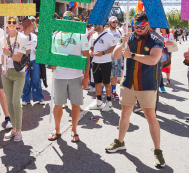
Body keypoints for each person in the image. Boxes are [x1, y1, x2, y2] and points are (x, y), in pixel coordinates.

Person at [105, 11, 166, 168]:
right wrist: (121, 43)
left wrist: (131, 55)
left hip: (147, 83)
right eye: (135, 26)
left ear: (147, 25)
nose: (137, 29)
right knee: (125, 113)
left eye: (141, 26)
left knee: (150, 117)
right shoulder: (128, 37)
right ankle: (120, 142)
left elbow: (153, 60)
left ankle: (158, 151)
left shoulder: (155, 39)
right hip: (128, 82)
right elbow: (116, 55)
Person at [48, 11, 90, 142]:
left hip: (76, 76)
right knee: (58, 105)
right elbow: (52, 56)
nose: (67, 19)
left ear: (73, 20)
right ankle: (57, 129)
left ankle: (74, 130)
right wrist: (52, 64)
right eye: (64, 18)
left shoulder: (80, 35)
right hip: (59, 76)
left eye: (69, 18)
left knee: (75, 105)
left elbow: (86, 57)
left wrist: (86, 75)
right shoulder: (55, 36)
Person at [1, 16, 27, 142]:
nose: (11, 24)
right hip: (6, 73)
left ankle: (19, 131)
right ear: (6, 24)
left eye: (13, 22)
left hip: (18, 72)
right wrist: (2, 67)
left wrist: (9, 54)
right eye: (9, 22)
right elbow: (2, 57)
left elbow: (19, 58)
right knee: (9, 102)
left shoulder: (22, 38)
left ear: (17, 24)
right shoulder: (3, 39)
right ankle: (14, 128)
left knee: (16, 101)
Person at [88, 24, 117, 112]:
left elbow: (114, 47)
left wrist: (103, 53)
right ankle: (99, 102)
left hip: (106, 63)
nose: (94, 26)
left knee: (107, 83)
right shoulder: (93, 35)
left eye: (95, 25)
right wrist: (90, 51)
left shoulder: (108, 35)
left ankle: (109, 103)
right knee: (97, 83)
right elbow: (91, 46)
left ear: (101, 25)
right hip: (95, 62)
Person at [21, 19, 44, 105]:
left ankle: (39, 97)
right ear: (27, 27)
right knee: (26, 80)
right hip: (24, 62)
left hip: (34, 61)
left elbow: (36, 47)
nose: (33, 27)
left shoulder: (34, 36)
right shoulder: (20, 36)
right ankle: (25, 99)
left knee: (36, 79)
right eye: (32, 25)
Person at [105, 16, 124, 100]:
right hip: (107, 56)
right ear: (109, 23)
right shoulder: (106, 32)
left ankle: (113, 91)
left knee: (115, 75)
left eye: (116, 22)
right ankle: (103, 91)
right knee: (106, 75)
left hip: (117, 57)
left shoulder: (119, 31)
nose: (115, 23)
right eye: (113, 22)